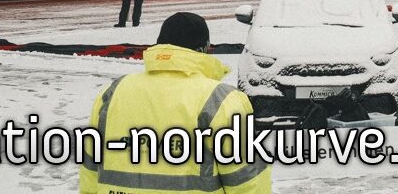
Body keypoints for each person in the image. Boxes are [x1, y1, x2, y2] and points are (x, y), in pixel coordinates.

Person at [80, 12, 271, 194]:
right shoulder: (221, 101)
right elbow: (248, 182)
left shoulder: (113, 93)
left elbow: (90, 170)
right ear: (204, 49)